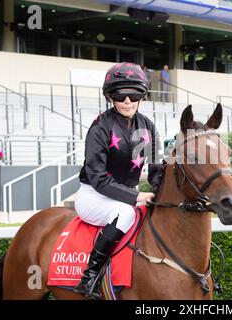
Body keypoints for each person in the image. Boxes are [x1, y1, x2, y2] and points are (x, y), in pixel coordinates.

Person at [74, 62, 165, 299]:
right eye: (120, 94)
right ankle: (89, 277)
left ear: (141, 97)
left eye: (133, 94)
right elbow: (97, 178)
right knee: (125, 215)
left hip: (126, 196)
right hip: (93, 196)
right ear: (110, 97)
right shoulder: (99, 127)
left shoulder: (148, 126)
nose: (127, 101)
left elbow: (156, 169)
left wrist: (162, 192)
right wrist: (135, 196)